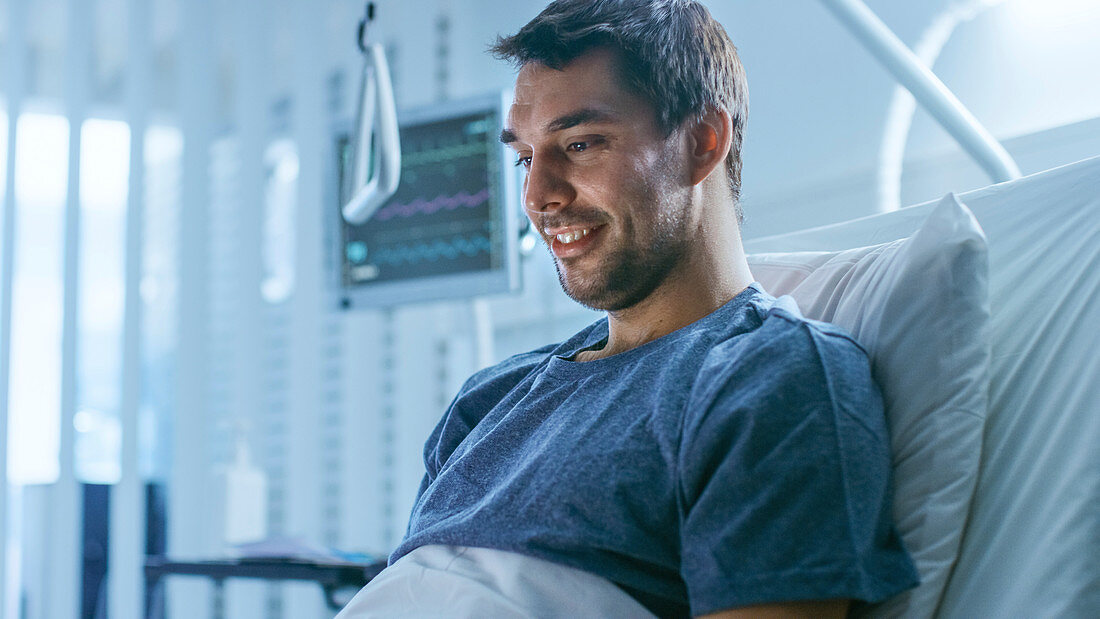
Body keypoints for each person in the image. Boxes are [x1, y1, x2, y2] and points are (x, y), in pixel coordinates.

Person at [338, 1, 918, 617]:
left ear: (703, 142)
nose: (538, 197)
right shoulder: (489, 401)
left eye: (581, 143)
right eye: (525, 158)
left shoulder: (771, 380)